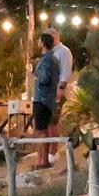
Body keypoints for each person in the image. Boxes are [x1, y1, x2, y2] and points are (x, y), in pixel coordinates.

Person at [31, 31, 60, 169]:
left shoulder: (47, 60)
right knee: (44, 128)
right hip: (48, 98)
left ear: (42, 43)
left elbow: (45, 78)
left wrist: (35, 73)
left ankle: (43, 160)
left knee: (41, 130)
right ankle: (43, 158)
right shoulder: (53, 59)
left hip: (42, 98)